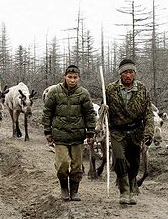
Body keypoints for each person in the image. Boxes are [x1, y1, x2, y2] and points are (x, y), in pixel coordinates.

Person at [42, 65, 96, 201]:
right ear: (64, 76)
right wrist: (47, 131)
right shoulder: (55, 92)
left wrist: (90, 132)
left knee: (77, 166)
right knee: (63, 164)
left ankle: (75, 191)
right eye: (69, 77)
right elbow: (47, 111)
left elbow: (89, 114)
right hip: (60, 135)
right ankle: (64, 188)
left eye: (75, 77)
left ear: (79, 78)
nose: (72, 80)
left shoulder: (83, 93)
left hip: (77, 136)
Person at [105, 59, 154, 205]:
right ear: (120, 73)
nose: (128, 75)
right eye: (125, 72)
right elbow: (104, 110)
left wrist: (149, 132)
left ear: (134, 73)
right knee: (119, 159)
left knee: (134, 162)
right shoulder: (110, 89)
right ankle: (124, 191)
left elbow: (148, 113)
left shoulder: (142, 89)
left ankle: (132, 187)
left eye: (131, 72)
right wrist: (103, 110)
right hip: (117, 132)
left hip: (135, 131)